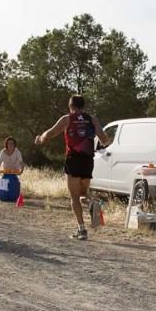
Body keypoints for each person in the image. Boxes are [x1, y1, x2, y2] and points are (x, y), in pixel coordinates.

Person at [34, 95, 111, 240]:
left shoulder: (67, 119)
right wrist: (106, 140)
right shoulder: (92, 119)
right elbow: (104, 139)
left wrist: (40, 139)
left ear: (70, 106)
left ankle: (82, 229)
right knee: (83, 193)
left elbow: (50, 133)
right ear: (83, 106)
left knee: (74, 197)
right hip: (88, 160)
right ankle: (93, 202)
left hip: (73, 159)